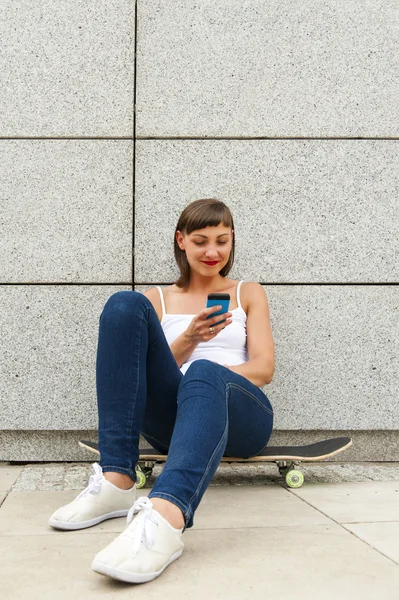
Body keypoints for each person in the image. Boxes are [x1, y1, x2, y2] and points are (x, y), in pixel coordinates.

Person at [48, 198, 275, 584]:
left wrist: (204, 375)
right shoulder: (157, 299)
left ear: (232, 240)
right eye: (201, 241)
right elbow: (140, 377)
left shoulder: (247, 293)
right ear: (181, 241)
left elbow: (263, 369)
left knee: (205, 371)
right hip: (175, 419)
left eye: (222, 240)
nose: (212, 251)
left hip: (240, 416)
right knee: (123, 304)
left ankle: (166, 518)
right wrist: (188, 337)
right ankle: (117, 479)